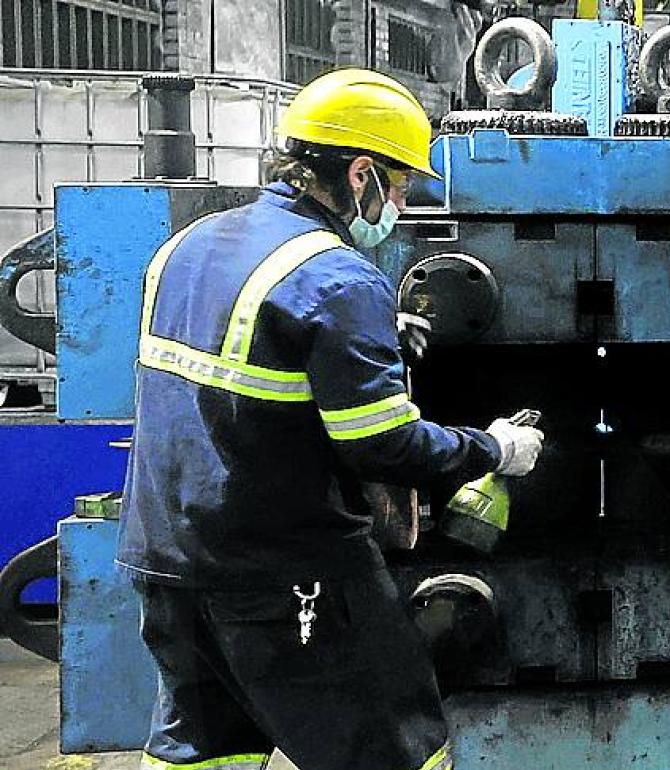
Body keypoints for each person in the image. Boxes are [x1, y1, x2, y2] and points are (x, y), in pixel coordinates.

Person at [116, 68, 543, 770]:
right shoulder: (338, 278)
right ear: (361, 174)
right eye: (401, 187)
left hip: (165, 557)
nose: (400, 206)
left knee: (202, 750)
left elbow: (247, 372)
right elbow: (383, 446)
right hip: (282, 573)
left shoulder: (188, 245)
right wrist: (494, 448)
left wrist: (369, 336)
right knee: (395, 747)